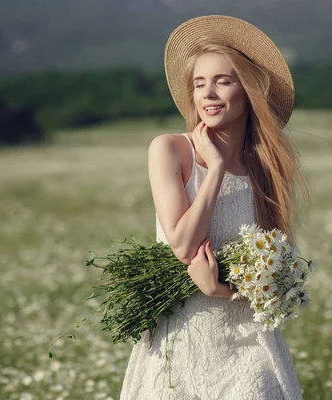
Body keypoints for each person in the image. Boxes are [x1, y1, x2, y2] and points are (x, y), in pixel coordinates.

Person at [120, 15, 306, 400]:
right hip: (184, 340)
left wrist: (223, 290)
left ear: (249, 89)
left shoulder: (266, 168)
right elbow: (184, 246)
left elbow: (279, 282)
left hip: (251, 343)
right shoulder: (170, 149)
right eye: (199, 84)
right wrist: (216, 168)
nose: (208, 94)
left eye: (223, 81)